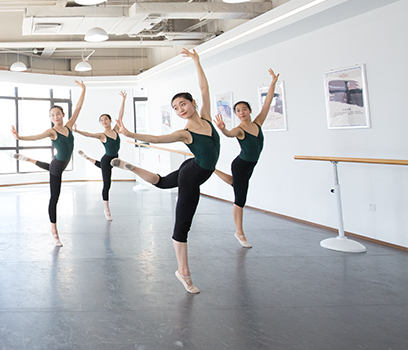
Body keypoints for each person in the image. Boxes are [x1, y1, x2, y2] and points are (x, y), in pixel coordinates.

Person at [111, 49, 218, 294]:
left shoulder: (207, 118)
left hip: (191, 167)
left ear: (193, 103)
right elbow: (157, 139)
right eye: (176, 107)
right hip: (192, 176)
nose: (180, 109)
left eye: (183, 104)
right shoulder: (185, 133)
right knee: (183, 225)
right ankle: (184, 272)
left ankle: (134, 168)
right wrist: (130, 134)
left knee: (161, 182)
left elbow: (204, 88)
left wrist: (197, 61)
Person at [11, 81, 86, 247]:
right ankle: (54, 230)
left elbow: (78, 108)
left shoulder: (69, 126)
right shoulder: (52, 132)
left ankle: (29, 160)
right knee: (54, 197)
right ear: (50, 118)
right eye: (52, 115)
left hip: (59, 163)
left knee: (50, 166)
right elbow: (35, 137)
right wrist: (19, 137)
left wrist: (83, 90)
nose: (56, 117)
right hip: (58, 166)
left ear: (63, 115)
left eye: (58, 114)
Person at [213, 68, 279, 249]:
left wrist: (273, 83)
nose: (241, 112)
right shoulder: (240, 129)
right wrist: (223, 129)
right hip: (241, 164)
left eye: (244, 109)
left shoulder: (258, 123)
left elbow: (267, 104)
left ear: (249, 110)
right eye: (238, 111)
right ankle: (239, 232)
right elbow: (229, 134)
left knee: (235, 183)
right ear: (236, 114)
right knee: (240, 198)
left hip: (250, 164)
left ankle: (212, 169)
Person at [74, 91, 127, 221]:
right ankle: (107, 210)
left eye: (106, 119)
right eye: (101, 120)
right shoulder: (102, 135)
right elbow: (89, 134)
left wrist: (123, 100)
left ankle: (88, 158)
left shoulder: (116, 130)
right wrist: (77, 130)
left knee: (103, 167)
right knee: (107, 183)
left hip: (115, 157)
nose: (104, 121)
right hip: (107, 160)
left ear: (110, 120)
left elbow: (120, 116)